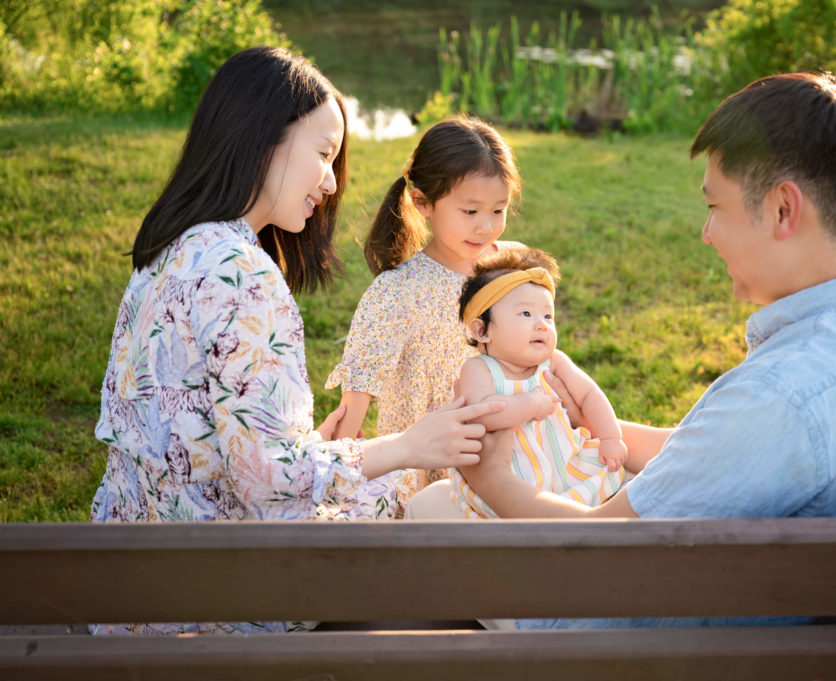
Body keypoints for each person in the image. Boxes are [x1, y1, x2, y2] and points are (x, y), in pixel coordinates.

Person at [458, 72, 836, 628]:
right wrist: (590, 426)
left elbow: (596, 546)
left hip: (615, 643)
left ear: (784, 209)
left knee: (437, 520)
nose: (707, 233)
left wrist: (491, 479)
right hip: (818, 635)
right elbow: (720, 458)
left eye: (716, 207)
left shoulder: (778, 396)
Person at [90, 46, 501, 635]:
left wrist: (320, 449)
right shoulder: (241, 273)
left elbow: (222, 443)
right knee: (414, 500)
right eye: (324, 154)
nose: (332, 183)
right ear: (264, 137)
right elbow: (271, 482)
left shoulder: (169, 246)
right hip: (214, 600)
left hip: (129, 580)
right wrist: (409, 445)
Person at [324, 116, 523, 506]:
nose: (485, 228)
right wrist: (339, 481)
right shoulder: (397, 291)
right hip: (431, 468)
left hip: (507, 454)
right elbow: (358, 393)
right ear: (422, 202)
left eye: (498, 210)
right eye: (470, 212)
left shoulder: (507, 268)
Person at [408, 248, 629, 519]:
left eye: (548, 316)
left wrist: (610, 437)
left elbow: (590, 395)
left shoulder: (554, 361)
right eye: (525, 314)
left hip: (565, 462)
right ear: (482, 330)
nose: (542, 325)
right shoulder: (479, 369)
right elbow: (485, 413)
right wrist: (530, 404)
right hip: (512, 475)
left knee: (600, 483)